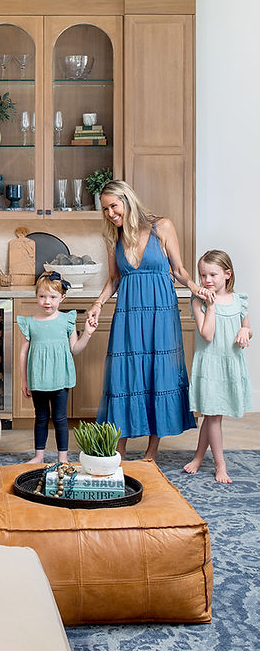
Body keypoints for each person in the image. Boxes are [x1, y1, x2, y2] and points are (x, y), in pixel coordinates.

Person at [87, 180, 211, 460]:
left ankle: (152, 449)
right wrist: (97, 304)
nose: (109, 213)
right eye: (104, 209)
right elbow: (114, 279)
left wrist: (193, 286)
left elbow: (178, 268)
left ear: (127, 200)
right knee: (125, 375)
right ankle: (118, 447)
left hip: (161, 310)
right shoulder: (113, 237)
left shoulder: (162, 226)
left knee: (159, 372)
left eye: (113, 206)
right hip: (129, 313)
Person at [184, 249, 253, 483]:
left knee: (213, 415)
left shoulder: (239, 300)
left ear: (227, 274)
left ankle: (197, 457)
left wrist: (245, 331)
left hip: (230, 364)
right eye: (202, 275)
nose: (206, 281)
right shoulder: (198, 302)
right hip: (210, 366)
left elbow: (248, 327)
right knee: (213, 417)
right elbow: (207, 335)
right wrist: (210, 307)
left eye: (212, 275)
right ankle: (220, 465)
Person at [17, 272, 96, 464]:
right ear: (36, 297)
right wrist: (24, 380)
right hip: (38, 379)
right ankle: (39, 456)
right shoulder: (30, 322)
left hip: (61, 379)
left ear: (62, 298)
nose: (47, 301)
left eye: (52, 297)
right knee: (41, 418)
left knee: (60, 419)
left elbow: (75, 349)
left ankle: (63, 458)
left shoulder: (66, 320)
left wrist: (87, 333)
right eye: (42, 296)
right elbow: (22, 354)